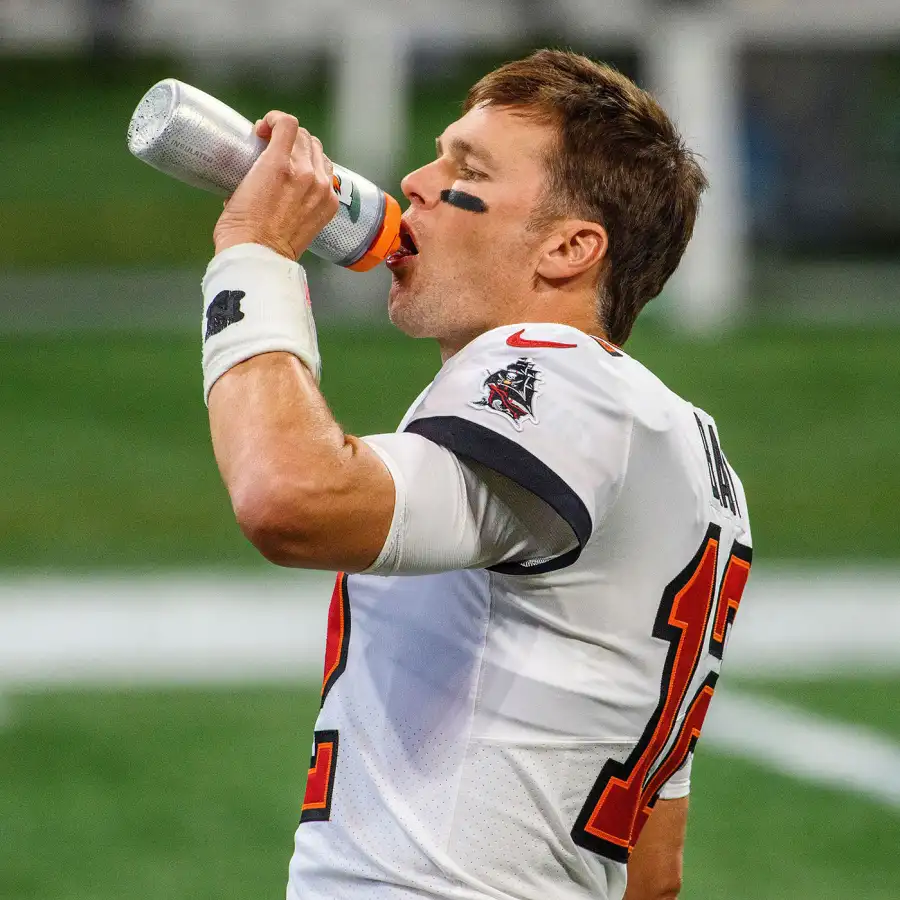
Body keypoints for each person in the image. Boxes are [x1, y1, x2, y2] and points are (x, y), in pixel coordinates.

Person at [201, 49, 752, 900]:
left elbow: (291, 497)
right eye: (438, 152)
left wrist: (256, 256)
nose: (416, 182)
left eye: (470, 169)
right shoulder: (681, 446)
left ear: (570, 247)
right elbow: (654, 869)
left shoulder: (558, 375)